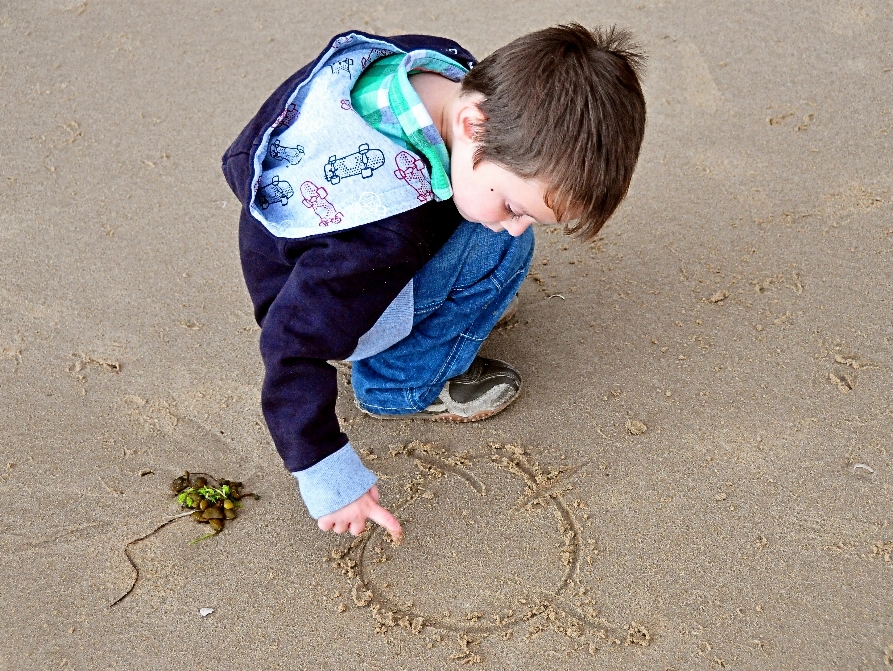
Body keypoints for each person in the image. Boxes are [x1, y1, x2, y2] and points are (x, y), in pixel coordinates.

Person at [221, 24, 646, 543]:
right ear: (474, 124)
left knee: (485, 225)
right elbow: (291, 346)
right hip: (328, 297)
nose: (517, 221)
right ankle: (399, 382)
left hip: (298, 249)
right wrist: (327, 475)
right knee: (501, 249)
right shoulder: (383, 230)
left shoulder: (435, 62)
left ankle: (420, 316)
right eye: (515, 205)